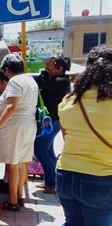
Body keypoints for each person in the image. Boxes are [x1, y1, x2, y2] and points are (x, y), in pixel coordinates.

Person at [33, 45, 111, 226]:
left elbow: (67, 137)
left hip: (66, 174)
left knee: (73, 224)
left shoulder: (69, 102)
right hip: (101, 179)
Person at [0, 54, 38, 211]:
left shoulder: (15, 81)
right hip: (29, 124)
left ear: (7, 70)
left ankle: (13, 201)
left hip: (16, 126)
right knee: (21, 163)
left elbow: (11, 107)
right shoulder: (30, 80)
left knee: (13, 165)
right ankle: (19, 196)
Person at [34, 56, 71, 194]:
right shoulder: (51, 78)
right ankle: (51, 182)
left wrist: (46, 71)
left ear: (60, 69)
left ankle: (53, 183)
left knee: (40, 150)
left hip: (53, 121)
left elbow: (45, 86)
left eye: (52, 66)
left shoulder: (63, 81)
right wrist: (47, 71)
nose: (48, 68)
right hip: (48, 120)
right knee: (48, 151)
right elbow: (39, 83)